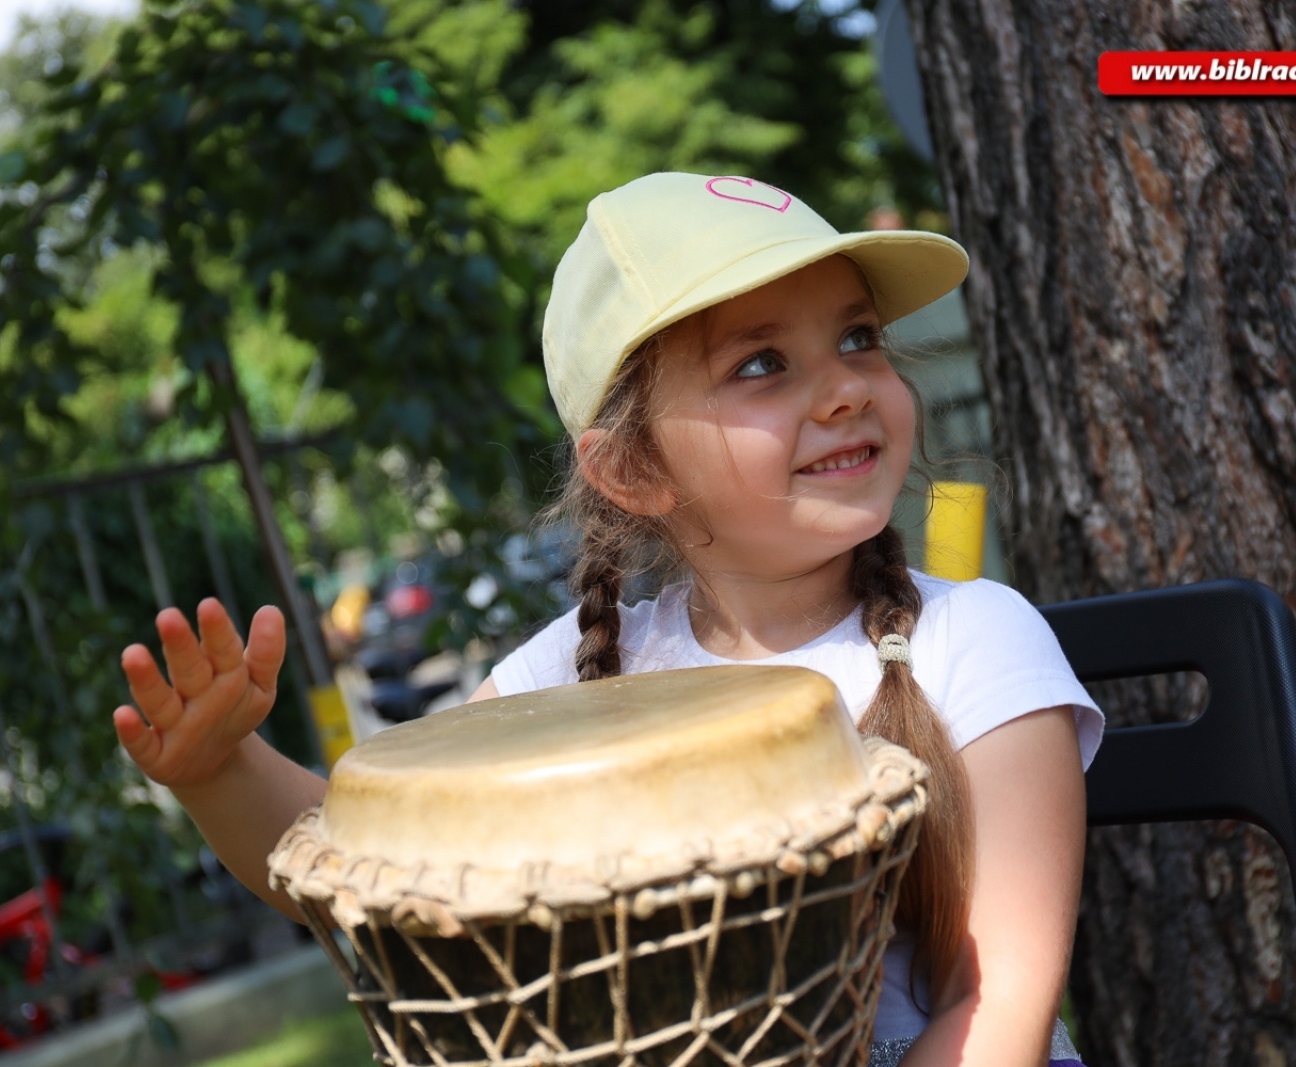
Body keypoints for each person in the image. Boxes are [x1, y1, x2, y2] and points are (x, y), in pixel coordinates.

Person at [114, 172, 1103, 1067]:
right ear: (632, 469)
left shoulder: (974, 638)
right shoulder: (575, 675)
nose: (845, 388)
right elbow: (382, 865)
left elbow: (998, 1006)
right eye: (762, 362)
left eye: (857, 338)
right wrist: (218, 770)